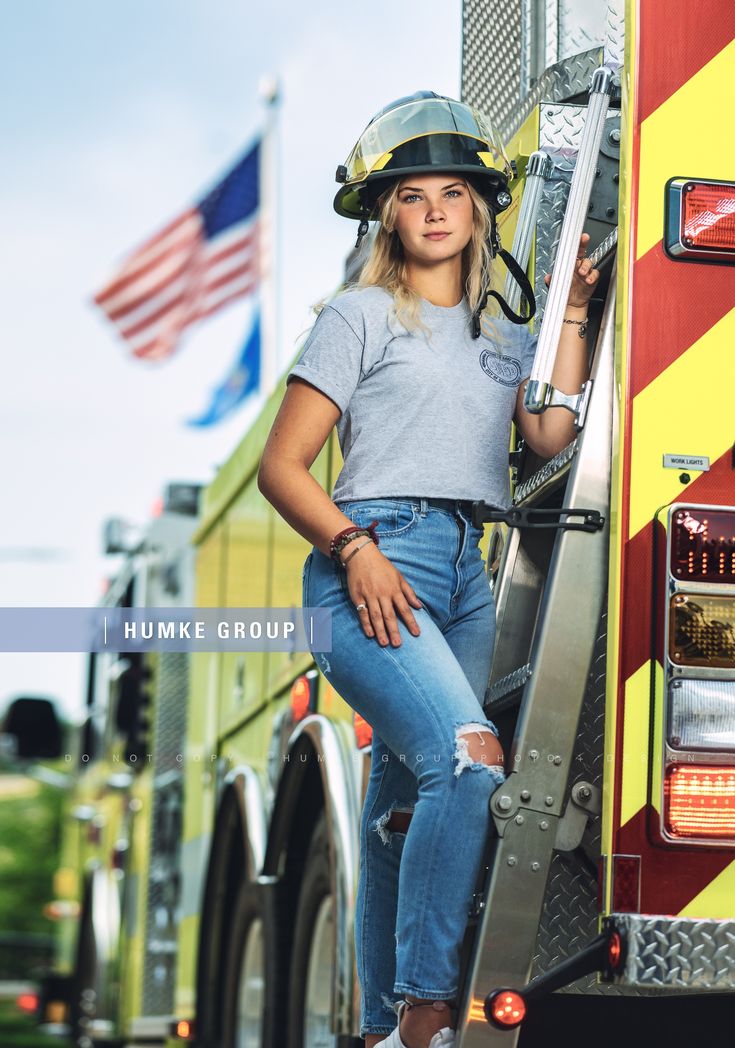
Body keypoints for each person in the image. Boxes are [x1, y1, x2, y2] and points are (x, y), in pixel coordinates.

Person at [258, 91, 599, 1048]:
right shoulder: (357, 317)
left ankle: (372, 1030)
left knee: (396, 810)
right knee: (468, 760)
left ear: (481, 211)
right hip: (370, 556)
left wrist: (571, 314)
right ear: (387, 215)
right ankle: (425, 1015)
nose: (437, 210)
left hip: (464, 573)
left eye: (455, 192)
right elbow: (281, 469)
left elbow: (549, 431)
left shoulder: (502, 343)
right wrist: (354, 550)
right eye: (414, 195)